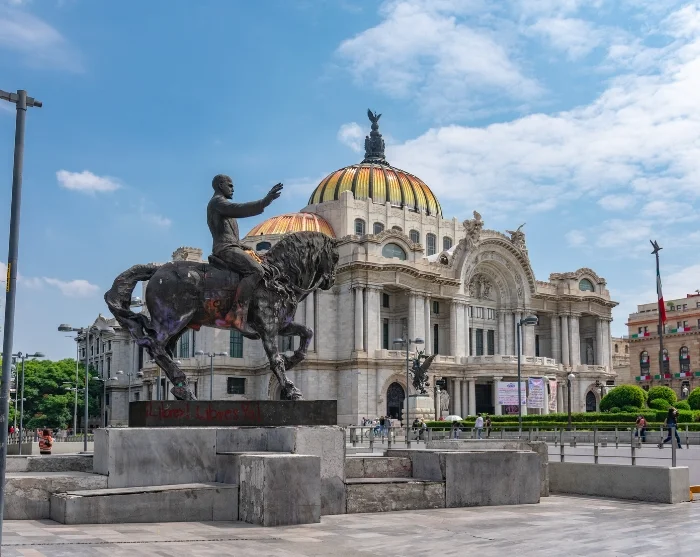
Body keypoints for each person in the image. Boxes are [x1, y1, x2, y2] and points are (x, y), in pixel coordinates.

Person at [207, 174, 283, 330]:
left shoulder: (221, 204)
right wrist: (264, 201)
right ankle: (237, 312)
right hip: (225, 249)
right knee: (256, 271)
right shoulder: (217, 202)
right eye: (230, 185)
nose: (233, 189)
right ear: (220, 185)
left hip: (232, 246)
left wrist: (244, 247)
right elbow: (239, 209)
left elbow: (230, 235)